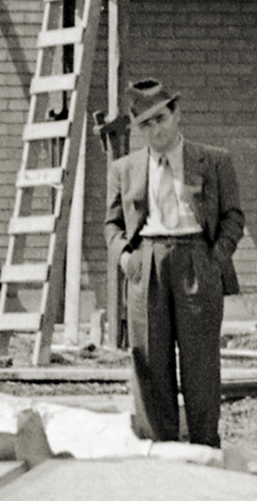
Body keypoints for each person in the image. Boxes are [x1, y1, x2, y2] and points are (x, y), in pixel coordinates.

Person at [102, 80, 244, 447]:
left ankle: (204, 448)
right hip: (145, 264)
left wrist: (214, 260)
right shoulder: (124, 169)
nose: (156, 129)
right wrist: (125, 257)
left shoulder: (213, 160)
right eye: (145, 125)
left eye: (161, 118)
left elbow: (232, 218)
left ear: (177, 114)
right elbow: (112, 224)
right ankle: (160, 451)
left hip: (197, 259)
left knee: (200, 363)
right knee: (149, 362)